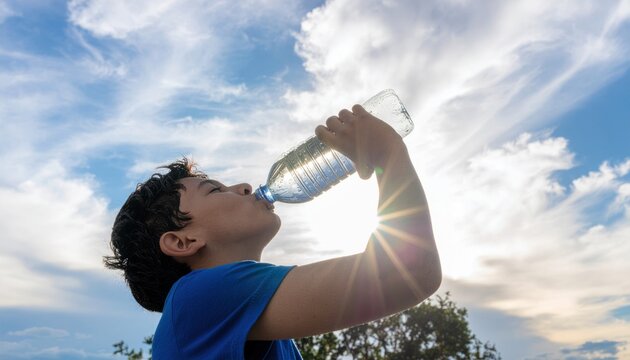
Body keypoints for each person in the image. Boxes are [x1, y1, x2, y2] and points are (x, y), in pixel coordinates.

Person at [104, 103, 442, 359]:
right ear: (183, 241)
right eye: (214, 190)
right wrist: (388, 154)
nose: (244, 187)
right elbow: (409, 272)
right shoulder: (193, 299)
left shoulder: (246, 321)